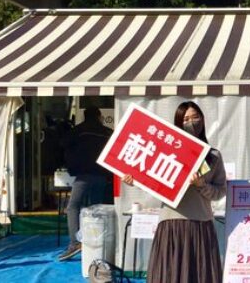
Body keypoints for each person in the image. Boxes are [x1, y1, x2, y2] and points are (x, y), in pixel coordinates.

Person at [122, 101, 226, 283]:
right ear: (178, 124)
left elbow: (220, 191)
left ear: (203, 120)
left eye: (195, 117)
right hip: (170, 224)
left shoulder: (213, 156)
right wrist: (133, 180)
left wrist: (202, 184)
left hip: (200, 225)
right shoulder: (164, 152)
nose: (191, 123)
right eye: (185, 119)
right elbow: (150, 176)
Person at [58, 106, 114, 261]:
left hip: (84, 175)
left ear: (84, 116)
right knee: (95, 208)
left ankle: (75, 242)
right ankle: (95, 242)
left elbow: (63, 143)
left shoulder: (79, 130)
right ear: (99, 116)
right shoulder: (107, 132)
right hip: (102, 175)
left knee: (72, 207)